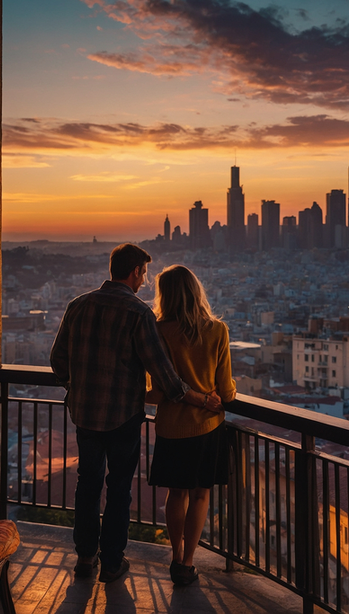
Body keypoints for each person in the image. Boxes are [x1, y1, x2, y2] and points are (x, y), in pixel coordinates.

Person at [50, 244, 218, 583]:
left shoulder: (78, 306)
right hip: (123, 416)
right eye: (143, 273)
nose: (145, 281)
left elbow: (57, 362)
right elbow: (166, 376)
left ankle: (85, 557)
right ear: (134, 272)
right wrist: (200, 399)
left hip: (84, 414)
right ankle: (112, 562)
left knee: (87, 484)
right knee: (119, 488)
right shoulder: (138, 314)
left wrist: (77, 387)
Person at [146, 265, 236, 586]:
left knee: (176, 493)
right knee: (200, 495)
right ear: (196, 291)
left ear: (165, 295)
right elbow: (225, 392)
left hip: (171, 427)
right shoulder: (216, 330)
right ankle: (187, 562)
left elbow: (155, 392)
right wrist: (224, 393)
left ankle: (173, 554)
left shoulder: (157, 331)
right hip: (208, 426)